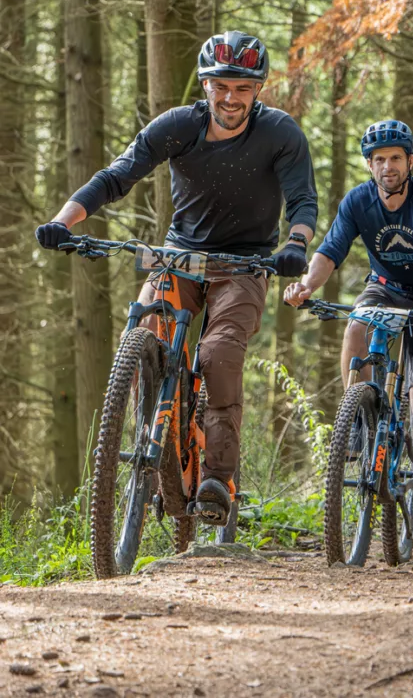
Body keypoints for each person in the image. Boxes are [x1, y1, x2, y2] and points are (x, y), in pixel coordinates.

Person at [35, 31, 318, 524]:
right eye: (220, 87)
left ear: (258, 90)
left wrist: (294, 245)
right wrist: (64, 222)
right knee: (144, 332)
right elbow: (117, 175)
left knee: (219, 354)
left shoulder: (280, 133)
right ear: (205, 86)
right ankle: (153, 437)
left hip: (244, 264)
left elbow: (303, 201)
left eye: (242, 88)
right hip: (180, 255)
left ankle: (216, 479)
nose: (230, 98)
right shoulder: (178, 126)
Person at [284, 120, 413, 542]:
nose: (387, 166)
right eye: (379, 160)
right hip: (385, 288)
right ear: (369, 166)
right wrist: (305, 285)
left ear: (409, 161)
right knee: (356, 324)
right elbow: (330, 251)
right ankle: (359, 415)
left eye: (395, 158)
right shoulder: (357, 202)